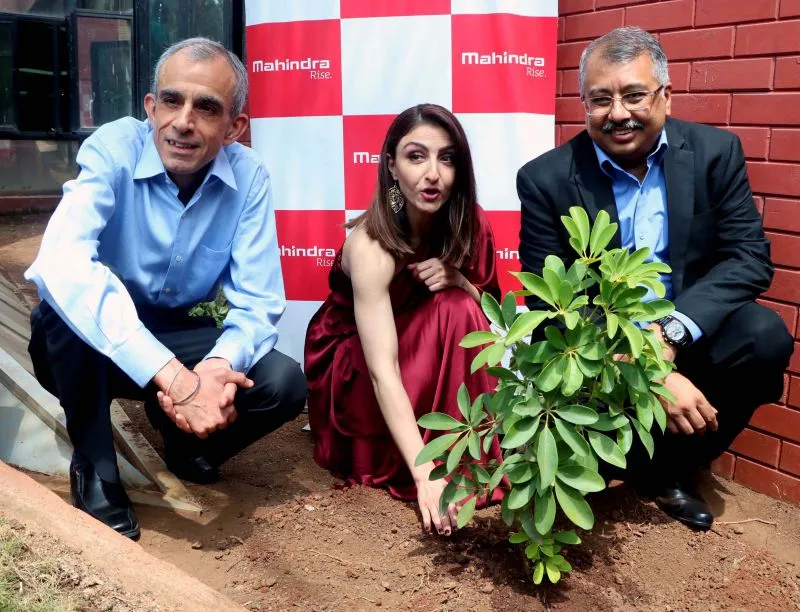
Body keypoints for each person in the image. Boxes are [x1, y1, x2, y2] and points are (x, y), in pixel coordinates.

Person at [25, 38, 307, 540]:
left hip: (180, 328)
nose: (183, 121)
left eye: (207, 107)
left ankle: (186, 442)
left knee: (282, 383)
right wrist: (177, 380)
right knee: (64, 313)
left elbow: (258, 301)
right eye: (172, 101)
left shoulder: (250, 176)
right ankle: (95, 467)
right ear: (151, 108)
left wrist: (216, 370)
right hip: (94, 346)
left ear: (234, 128)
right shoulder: (114, 148)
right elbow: (61, 263)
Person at [517, 27, 793, 531]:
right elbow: (549, 300)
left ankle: (669, 471)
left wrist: (668, 336)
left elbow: (749, 258)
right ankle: (604, 463)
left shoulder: (715, 152)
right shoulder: (546, 179)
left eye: (634, 94)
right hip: (600, 343)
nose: (618, 112)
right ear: (584, 104)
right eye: (601, 99)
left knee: (765, 338)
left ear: (665, 95)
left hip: (687, 328)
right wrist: (648, 369)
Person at [305, 104, 504, 536]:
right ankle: (434, 461)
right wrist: (425, 476)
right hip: (357, 362)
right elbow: (383, 371)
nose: (433, 173)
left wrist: (461, 282)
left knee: (458, 305)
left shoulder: (470, 223)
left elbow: (491, 319)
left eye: (447, 158)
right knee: (451, 309)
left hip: (419, 345)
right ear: (391, 166)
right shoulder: (371, 246)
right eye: (417, 156)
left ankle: (466, 454)